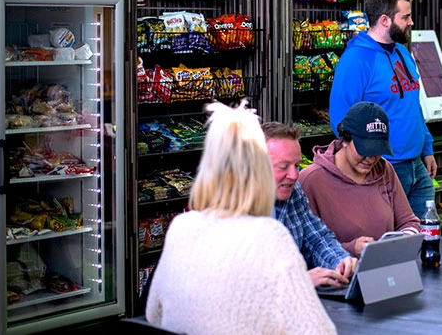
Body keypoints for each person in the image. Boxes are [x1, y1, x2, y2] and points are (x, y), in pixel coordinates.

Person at [145, 102, 336, 335]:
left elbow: (153, 315)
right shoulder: (269, 235)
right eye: (283, 166)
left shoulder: (182, 227)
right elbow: (318, 331)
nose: (294, 175)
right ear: (259, 173)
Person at [329, 0, 437, 218]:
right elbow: (341, 118)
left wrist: (427, 148)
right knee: (388, 244)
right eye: (405, 17)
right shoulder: (355, 60)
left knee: (426, 238)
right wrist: (363, 164)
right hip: (381, 166)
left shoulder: (403, 52)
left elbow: (413, 104)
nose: (411, 22)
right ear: (385, 20)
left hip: (416, 165)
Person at [299, 101, 421, 257]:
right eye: (364, 150)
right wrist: (350, 248)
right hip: (339, 276)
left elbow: (408, 221)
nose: (370, 158)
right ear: (344, 140)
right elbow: (304, 248)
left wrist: (405, 239)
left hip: (385, 269)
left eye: (377, 151)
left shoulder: (385, 170)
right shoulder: (311, 179)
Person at [262, 121, 358, 288]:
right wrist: (300, 281)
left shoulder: (294, 192)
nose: (293, 175)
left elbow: (317, 239)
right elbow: (239, 286)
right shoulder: (230, 209)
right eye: (283, 167)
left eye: (296, 166)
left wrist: (341, 262)